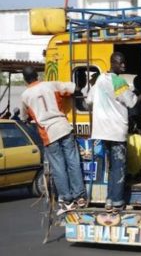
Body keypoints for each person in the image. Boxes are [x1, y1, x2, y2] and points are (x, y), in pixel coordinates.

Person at [20, 66, 86, 215]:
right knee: (73, 162)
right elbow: (74, 88)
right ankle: (80, 197)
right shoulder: (50, 85)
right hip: (64, 127)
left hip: (49, 134)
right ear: (37, 75)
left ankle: (67, 201)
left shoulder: (25, 96)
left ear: (25, 80)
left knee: (58, 168)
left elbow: (25, 117)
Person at [86, 52, 141, 213]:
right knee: (119, 167)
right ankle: (117, 202)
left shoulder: (100, 79)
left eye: (124, 62)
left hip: (101, 131)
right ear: (113, 63)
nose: (124, 65)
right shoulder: (119, 81)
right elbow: (132, 102)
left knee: (110, 167)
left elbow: (89, 100)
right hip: (116, 131)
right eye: (121, 63)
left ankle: (109, 200)